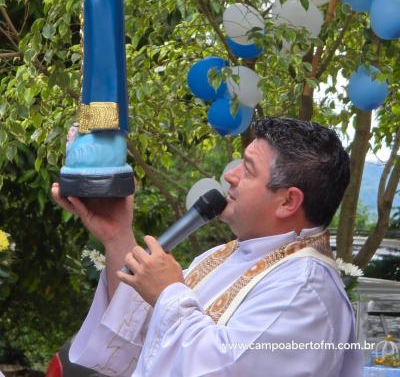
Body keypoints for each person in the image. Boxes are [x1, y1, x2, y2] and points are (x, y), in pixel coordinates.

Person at [52, 117, 364, 376]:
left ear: (288, 201)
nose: (231, 175)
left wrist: (168, 295)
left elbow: (222, 368)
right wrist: (118, 235)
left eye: (248, 169)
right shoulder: (227, 254)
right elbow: (145, 338)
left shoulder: (305, 288)